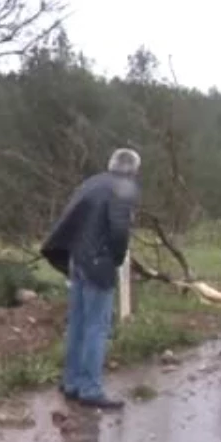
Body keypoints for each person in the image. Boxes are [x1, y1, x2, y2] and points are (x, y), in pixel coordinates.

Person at [39, 148, 142, 410]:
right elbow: (119, 230)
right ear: (133, 169)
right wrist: (117, 259)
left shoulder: (92, 183)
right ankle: (90, 389)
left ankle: (72, 382)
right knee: (97, 327)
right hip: (98, 262)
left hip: (77, 259)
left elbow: (71, 217)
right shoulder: (122, 188)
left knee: (78, 324)